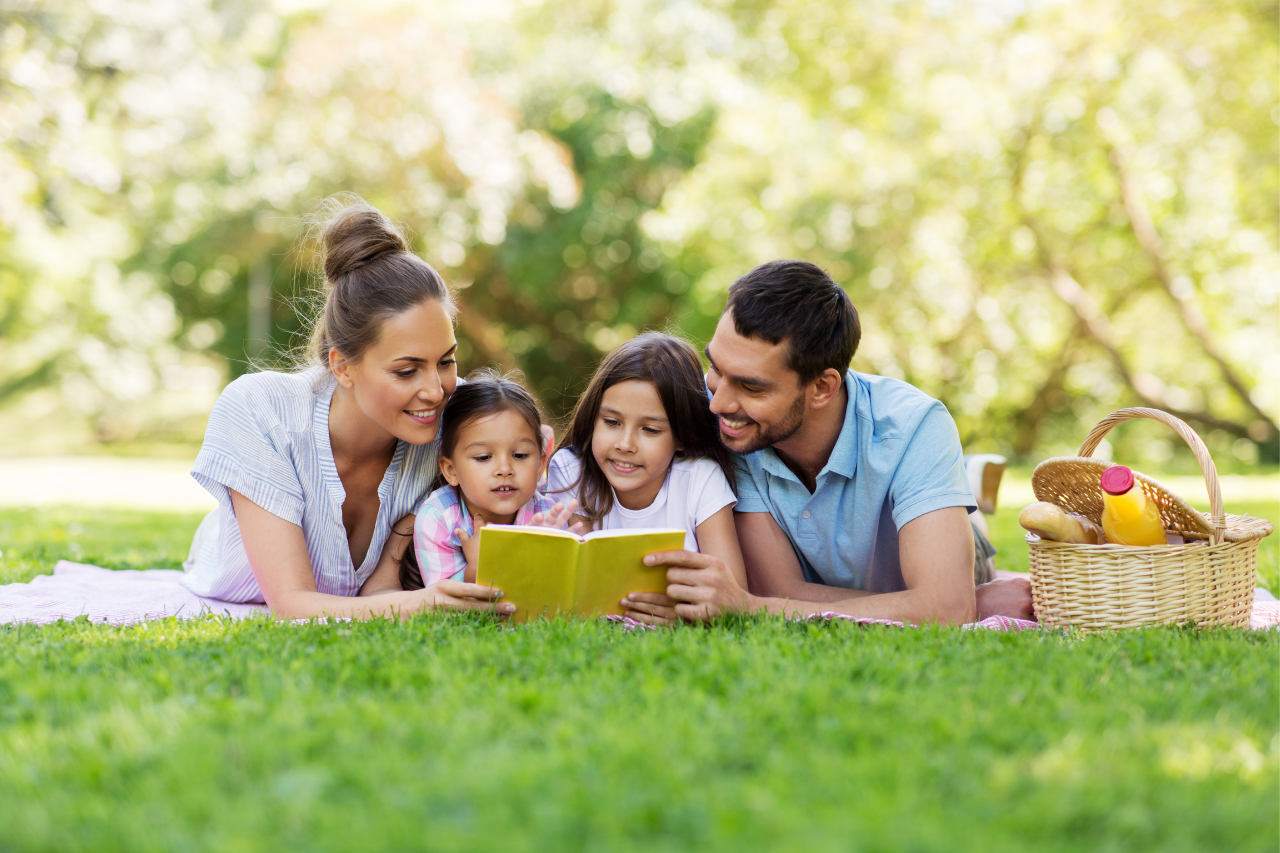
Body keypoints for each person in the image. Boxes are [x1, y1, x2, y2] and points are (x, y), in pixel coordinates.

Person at [629, 261, 1035, 624]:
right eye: (715, 367)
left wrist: (750, 608)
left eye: (751, 387)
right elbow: (777, 590)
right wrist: (930, 605)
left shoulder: (914, 424)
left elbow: (946, 608)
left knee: (961, 546)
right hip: (871, 572)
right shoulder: (731, 424)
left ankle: (965, 496)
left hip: (920, 545)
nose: (717, 402)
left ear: (822, 387)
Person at [181, 200, 517, 620]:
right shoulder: (262, 409)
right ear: (342, 366)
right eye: (407, 370)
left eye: (446, 362)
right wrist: (423, 604)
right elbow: (291, 605)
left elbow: (550, 474)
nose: (435, 390)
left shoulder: (462, 417)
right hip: (231, 587)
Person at [545, 333, 745, 621]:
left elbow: (732, 595)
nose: (625, 444)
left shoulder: (700, 479)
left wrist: (683, 615)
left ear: (682, 437)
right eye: (612, 422)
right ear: (593, 419)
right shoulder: (571, 471)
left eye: (650, 430)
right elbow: (577, 585)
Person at [406, 371, 577, 588]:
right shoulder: (439, 518)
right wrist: (480, 567)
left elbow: (557, 597)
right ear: (451, 470)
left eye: (520, 455)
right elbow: (445, 605)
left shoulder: (546, 517)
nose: (504, 469)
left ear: (541, 464)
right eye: (484, 457)